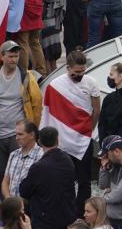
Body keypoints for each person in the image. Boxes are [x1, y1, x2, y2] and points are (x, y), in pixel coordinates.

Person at [40, 48, 100, 217]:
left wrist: (88, 131)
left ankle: (81, 214)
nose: (80, 75)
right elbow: (48, 113)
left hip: (83, 139)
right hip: (63, 142)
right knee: (64, 179)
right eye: (76, 72)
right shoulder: (56, 85)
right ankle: (64, 211)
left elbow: (96, 109)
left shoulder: (91, 83)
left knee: (84, 180)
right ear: (68, 67)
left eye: (82, 71)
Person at [19, 126, 76, 229]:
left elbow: (24, 190)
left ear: (38, 141)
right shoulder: (68, 161)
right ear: (58, 140)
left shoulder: (38, 168)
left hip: (46, 226)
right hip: (66, 222)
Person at [1, 120, 42, 199]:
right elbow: (5, 181)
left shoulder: (41, 156)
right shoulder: (13, 155)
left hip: (29, 206)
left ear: (31, 135)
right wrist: (8, 199)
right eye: (16, 134)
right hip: (12, 206)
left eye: (20, 134)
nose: (16, 138)